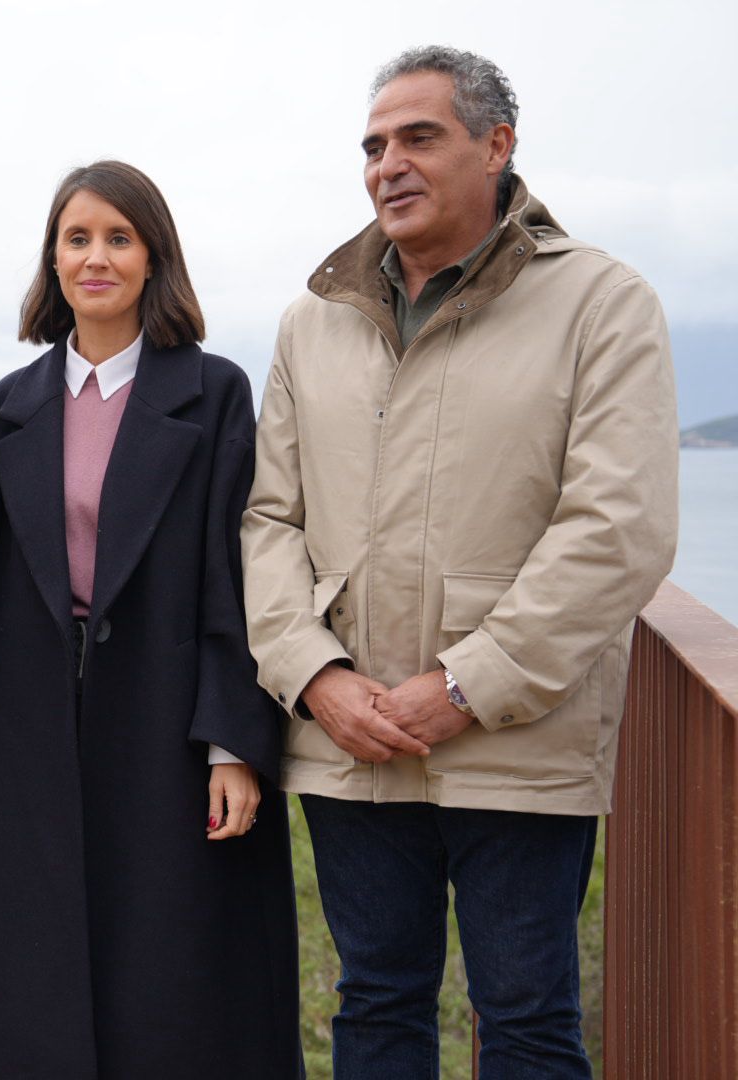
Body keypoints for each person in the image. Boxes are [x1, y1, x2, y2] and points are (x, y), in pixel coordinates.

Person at [244, 46, 678, 1079]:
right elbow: (268, 521)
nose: (386, 163)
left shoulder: (604, 302)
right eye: (373, 144)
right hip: (353, 740)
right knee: (376, 1005)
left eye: (417, 137)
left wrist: (468, 686)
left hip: (521, 739)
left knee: (525, 1018)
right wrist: (315, 677)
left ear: (497, 146)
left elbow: (619, 526)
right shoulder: (315, 320)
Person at [0, 160, 302, 1077]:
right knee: (38, 971)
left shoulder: (212, 392)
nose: (95, 257)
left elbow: (240, 572)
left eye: (118, 238)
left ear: (153, 259)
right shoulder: (10, 405)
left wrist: (234, 743)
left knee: (175, 976)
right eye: (76, 239)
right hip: (31, 726)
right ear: (52, 262)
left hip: (169, 719)